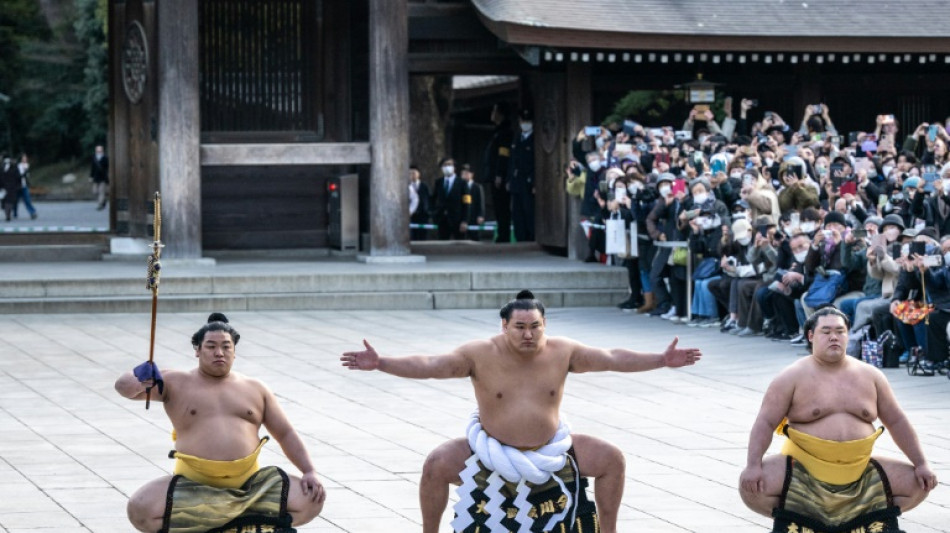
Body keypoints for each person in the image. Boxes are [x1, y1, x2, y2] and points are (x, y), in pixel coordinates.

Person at [340, 290, 702, 533]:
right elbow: (432, 363)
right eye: (520, 328)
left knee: (612, 459)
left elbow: (612, 358)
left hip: (552, 450)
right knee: (435, 465)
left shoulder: (563, 351)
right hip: (490, 449)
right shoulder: (479, 353)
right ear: (504, 326)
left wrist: (660, 359)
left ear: (545, 325)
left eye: (535, 327)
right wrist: (381, 362)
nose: (528, 335)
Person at [115, 314, 325, 532]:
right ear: (197, 350)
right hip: (193, 486)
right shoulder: (175, 381)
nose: (219, 352)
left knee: (311, 498)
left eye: (226, 346)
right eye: (211, 346)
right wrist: (141, 375)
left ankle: (217, 522)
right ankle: (242, 523)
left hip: (249, 487)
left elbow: (285, 433)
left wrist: (309, 470)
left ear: (234, 351)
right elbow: (124, 389)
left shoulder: (256, 388)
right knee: (141, 509)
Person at [739, 307, 936, 532]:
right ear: (811, 336)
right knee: (752, 488)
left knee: (919, 483)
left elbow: (897, 421)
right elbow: (765, 422)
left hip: (859, 469)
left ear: (848, 334)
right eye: (826, 331)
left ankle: (856, 519)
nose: (834, 336)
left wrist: (921, 463)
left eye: (840, 331)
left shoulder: (871, 376)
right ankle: (810, 518)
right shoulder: (790, 377)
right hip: (804, 470)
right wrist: (753, 465)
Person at [485, 102, 513, 243]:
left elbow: (503, 155)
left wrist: (499, 174)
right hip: (493, 173)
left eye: (494, 111)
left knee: (502, 206)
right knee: (498, 207)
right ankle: (501, 233)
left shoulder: (505, 132)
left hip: (499, 176)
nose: (492, 114)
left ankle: (504, 235)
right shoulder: (497, 131)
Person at [508, 108, 535, 242]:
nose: (525, 123)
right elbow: (511, 160)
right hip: (516, 180)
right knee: (517, 212)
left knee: (529, 210)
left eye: (528, 121)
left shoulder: (535, 139)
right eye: (523, 121)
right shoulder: (516, 138)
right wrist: (509, 179)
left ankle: (531, 238)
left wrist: (534, 181)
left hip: (528, 181)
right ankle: (520, 238)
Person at [431, 157, 465, 240]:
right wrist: (433, 213)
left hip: (457, 219)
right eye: (445, 165)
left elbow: (466, 203)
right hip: (442, 219)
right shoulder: (438, 182)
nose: (447, 167)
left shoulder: (462, 183)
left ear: (454, 167)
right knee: (442, 243)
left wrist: (464, 220)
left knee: (459, 244)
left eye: (449, 164)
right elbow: (433, 199)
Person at [459, 164, 485, 241]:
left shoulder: (477, 187)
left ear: (472, 174)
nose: (465, 175)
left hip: (474, 216)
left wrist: (481, 215)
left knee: (474, 236)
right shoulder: (460, 186)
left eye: (467, 173)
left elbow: (481, 202)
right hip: (462, 216)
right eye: (463, 173)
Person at [409, 165, 430, 240]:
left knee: (422, 236)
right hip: (411, 215)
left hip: (423, 215)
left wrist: (427, 211)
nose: (412, 175)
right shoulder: (407, 186)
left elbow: (427, 199)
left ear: (418, 174)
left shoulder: (424, 186)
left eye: (413, 173)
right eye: (410, 173)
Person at [15, 153, 37, 220]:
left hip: (24, 185)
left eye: (25, 158)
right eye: (24, 158)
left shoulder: (27, 165)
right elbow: (19, 176)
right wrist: (24, 173)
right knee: (15, 201)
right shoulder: (18, 166)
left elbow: (27, 177)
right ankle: (14, 213)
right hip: (18, 186)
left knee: (27, 200)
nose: (25, 159)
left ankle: (32, 212)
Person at [0, 154, 20, 222]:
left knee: (7, 202)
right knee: (7, 202)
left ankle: (8, 214)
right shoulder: (4, 167)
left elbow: (17, 177)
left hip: (9, 187)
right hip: (7, 187)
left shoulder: (9, 167)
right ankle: (8, 214)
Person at [90, 144, 109, 210]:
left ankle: (100, 204)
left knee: (101, 191)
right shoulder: (94, 158)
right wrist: (91, 176)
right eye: (98, 150)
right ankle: (104, 200)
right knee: (95, 191)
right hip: (96, 177)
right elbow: (92, 168)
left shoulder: (105, 158)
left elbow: (107, 168)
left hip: (103, 177)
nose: (99, 152)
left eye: (100, 150)